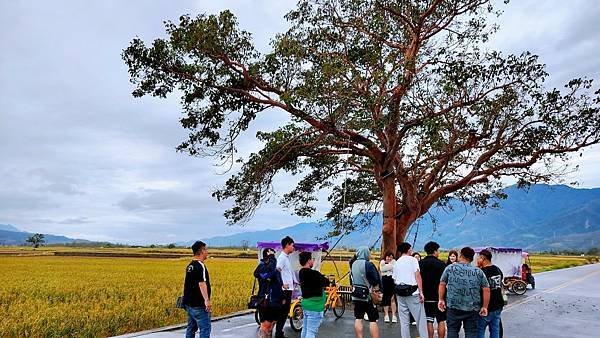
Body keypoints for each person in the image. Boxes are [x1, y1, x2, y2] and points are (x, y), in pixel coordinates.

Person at [438, 247, 490, 338]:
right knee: (471, 332)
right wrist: (485, 307)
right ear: (472, 258)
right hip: (473, 308)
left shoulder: (450, 268)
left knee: (452, 330)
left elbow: (442, 284)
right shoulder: (479, 272)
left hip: (453, 306)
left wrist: (441, 299)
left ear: (461, 256)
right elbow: (486, 289)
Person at [393, 242, 428, 338]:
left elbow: (395, 279)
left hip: (400, 293)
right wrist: (421, 292)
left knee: (404, 321)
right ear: (408, 249)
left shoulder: (397, 262)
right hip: (413, 293)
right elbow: (417, 275)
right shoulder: (413, 260)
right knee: (420, 319)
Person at [183, 240, 212, 338]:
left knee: (191, 328)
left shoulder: (190, 266)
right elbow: (202, 283)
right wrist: (207, 300)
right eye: (206, 250)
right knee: (205, 328)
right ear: (202, 251)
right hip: (198, 304)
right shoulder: (200, 266)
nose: (207, 252)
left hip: (189, 304)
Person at [351, 246, 381, 338]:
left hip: (356, 295)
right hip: (368, 296)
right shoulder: (368, 264)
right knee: (373, 319)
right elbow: (376, 279)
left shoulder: (353, 264)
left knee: (358, 318)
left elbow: (351, 280)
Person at [298, 251, 330, 338]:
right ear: (308, 260)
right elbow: (326, 282)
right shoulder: (314, 273)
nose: (313, 261)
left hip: (306, 305)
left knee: (305, 329)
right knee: (311, 332)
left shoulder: (301, 272)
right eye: (312, 259)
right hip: (315, 307)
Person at [419, 241, 447, 338]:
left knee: (429, 320)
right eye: (438, 250)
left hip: (425, 296)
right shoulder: (441, 264)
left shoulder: (420, 263)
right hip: (439, 296)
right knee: (441, 320)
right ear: (435, 251)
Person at [254, 248, 284, 338]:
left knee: (271, 325)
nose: (274, 258)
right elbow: (267, 274)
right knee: (265, 326)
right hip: (266, 301)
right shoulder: (263, 267)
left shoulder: (274, 269)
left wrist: (282, 297)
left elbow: (278, 283)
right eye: (272, 256)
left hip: (274, 300)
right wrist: (272, 260)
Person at [476, 249, 504, 338]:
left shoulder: (482, 272)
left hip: (486, 306)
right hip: (498, 305)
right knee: (495, 330)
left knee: (480, 330)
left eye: (478, 258)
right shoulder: (497, 269)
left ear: (483, 258)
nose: (477, 260)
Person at [275, 236, 297, 338]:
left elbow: (288, 274)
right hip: (284, 290)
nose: (293, 247)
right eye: (292, 245)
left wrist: (296, 282)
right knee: (283, 313)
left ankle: (280, 332)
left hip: (288, 290)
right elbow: (277, 271)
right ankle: (278, 333)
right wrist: (282, 284)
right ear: (287, 245)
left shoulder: (286, 258)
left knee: (284, 312)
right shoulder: (282, 258)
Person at [380, 251, 398, 323]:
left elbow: (394, 269)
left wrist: (387, 267)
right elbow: (382, 269)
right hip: (385, 281)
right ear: (385, 256)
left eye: (391, 257)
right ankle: (386, 315)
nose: (389, 258)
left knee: (392, 298)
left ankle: (394, 315)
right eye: (388, 256)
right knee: (385, 298)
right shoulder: (382, 262)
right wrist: (390, 267)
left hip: (392, 281)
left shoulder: (394, 262)